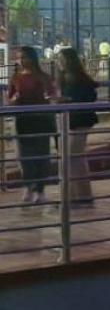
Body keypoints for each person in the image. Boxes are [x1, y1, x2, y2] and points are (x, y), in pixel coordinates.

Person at [6, 46, 57, 204]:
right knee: (24, 156)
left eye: (25, 57)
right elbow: (9, 98)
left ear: (33, 58)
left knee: (41, 155)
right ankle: (29, 186)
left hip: (41, 119)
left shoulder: (44, 77)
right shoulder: (16, 78)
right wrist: (14, 100)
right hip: (22, 120)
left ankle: (40, 190)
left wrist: (49, 98)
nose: (22, 61)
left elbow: (52, 94)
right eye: (20, 58)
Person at [58, 48, 100, 205]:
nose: (59, 62)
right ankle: (74, 196)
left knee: (74, 158)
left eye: (62, 59)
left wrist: (68, 100)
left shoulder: (80, 79)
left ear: (70, 61)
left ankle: (82, 196)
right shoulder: (63, 77)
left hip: (80, 121)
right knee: (71, 158)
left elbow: (88, 97)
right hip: (69, 121)